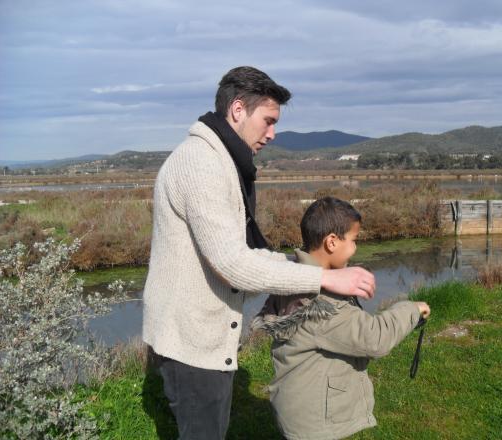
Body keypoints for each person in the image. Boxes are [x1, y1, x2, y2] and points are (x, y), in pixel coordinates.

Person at [142, 67, 376, 439]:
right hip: (191, 342)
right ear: (238, 109)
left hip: (202, 336)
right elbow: (233, 265)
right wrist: (326, 276)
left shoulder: (222, 160)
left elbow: (246, 252)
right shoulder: (200, 163)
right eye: (268, 121)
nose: (272, 133)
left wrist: (295, 264)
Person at [253, 196, 431, 440]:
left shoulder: (293, 275)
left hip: (297, 405)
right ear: (332, 242)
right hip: (316, 422)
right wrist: (412, 309)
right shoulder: (322, 304)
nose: (356, 248)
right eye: (354, 240)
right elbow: (375, 338)